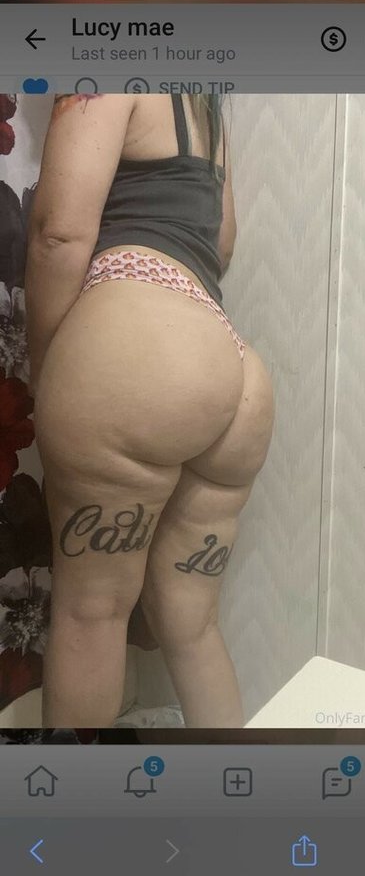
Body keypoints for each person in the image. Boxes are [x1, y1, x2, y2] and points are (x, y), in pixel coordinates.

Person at [24, 94, 275, 729]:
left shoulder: (104, 68)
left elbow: (58, 233)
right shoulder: (206, 106)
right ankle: (236, 785)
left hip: (137, 348)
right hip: (235, 368)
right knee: (192, 626)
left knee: (91, 612)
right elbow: (222, 242)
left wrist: (51, 368)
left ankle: (68, 799)